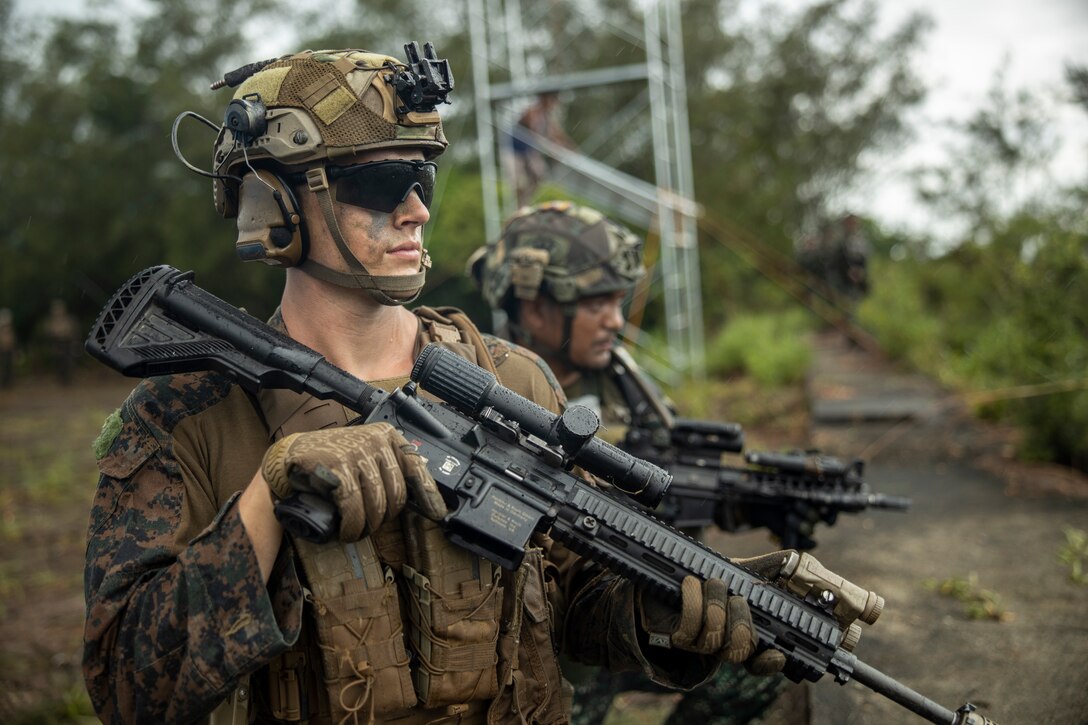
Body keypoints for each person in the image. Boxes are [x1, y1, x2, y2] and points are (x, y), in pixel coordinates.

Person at [82, 47, 812, 725]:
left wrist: (664, 609)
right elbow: (124, 683)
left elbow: (573, 602)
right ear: (276, 202)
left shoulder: (510, 379)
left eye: (422, 176)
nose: (418, 210)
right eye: (378, 183)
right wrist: (268, 502)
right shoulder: (188, 416)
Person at [468, 202, 791, 725]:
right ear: (533, 307)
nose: (616, 321)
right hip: (548, 630)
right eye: (597, 302)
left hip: (632, 606)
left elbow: (673, 476)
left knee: (763, 658)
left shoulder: (620, 384)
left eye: (618, 301)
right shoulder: (482, 386)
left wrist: (737, 503)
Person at [509, 92, 575, 206]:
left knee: (539, 175)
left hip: (529, 150)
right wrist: (554, 148)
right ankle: (520, 204)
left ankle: (525, 202)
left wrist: (570, 147)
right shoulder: (531, 112)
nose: (553, 104)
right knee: (518, 181)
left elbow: (556, 134)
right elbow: (536, 134)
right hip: (515, 151)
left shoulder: (546, 117)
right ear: (544, 99)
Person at [45, 298, 78, 385]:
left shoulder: (68, 320)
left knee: (67, 362)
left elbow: (72, 332)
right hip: (57, 344)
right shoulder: (52, 321)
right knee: (59, 362)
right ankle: (61, 379)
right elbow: (50, 333)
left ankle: (67, 379)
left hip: (67, 344)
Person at [0, 307, 16, 388]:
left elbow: (12, 339)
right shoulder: (2, 329)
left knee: (9, 366)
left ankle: (8, 382)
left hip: (8, 349)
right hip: (3, 350)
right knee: (4, 367)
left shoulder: (10, 329)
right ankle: (4, 382)